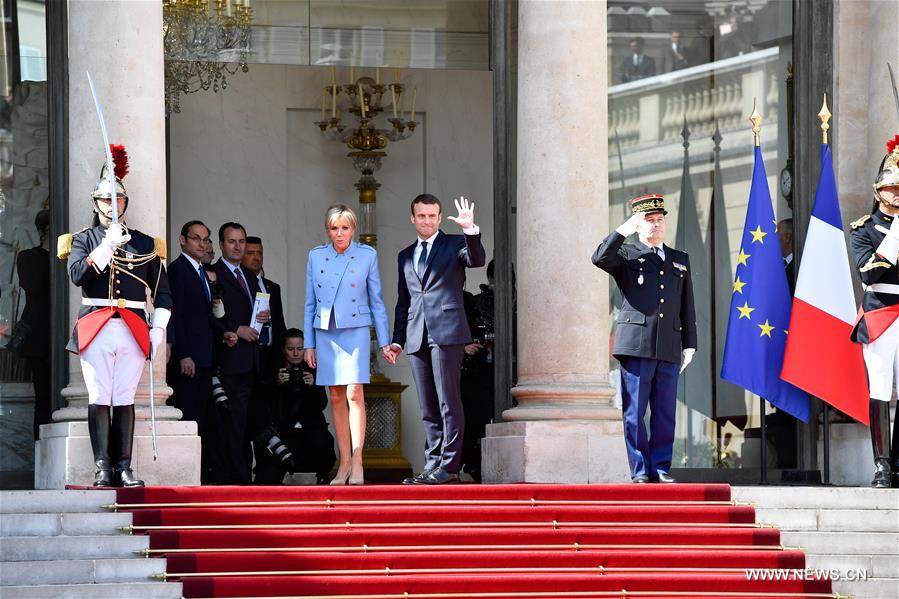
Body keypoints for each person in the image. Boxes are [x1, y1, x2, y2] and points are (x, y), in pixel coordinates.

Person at [58, 146, 172, 487]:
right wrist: (105, 246)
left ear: (125, 203)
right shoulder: (82, 239)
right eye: (106, 201)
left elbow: (162, 291)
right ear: (96, 204)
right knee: (98, 395)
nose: (112, 206)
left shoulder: (145, 243)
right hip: (96, 325)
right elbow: (78, 275)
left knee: (124, 397)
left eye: (117, 201)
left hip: (135, 327)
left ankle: (123, 466)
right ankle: (102, 467)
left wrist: (160, 328)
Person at [592, 194, 697, 483]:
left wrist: (690, 343)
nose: (656, 225)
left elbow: (687, 304)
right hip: (636, 344)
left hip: (668, 344)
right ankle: (639, 470)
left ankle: (661, 467)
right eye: (649, 221)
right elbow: (599, 257)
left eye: (659, 220)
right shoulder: (626, 255)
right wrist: (624, 230)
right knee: (635, 413)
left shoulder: (679, 259)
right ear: (639, 226)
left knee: (665, 412)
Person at [388, 195, 486, 485]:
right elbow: (403, 302)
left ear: (440, 218)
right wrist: (397, 340)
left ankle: (450, 466)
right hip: (417, 335)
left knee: (448, 402)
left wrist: (470, 230)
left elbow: (476, 259)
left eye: (432, 216)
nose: (427, 221)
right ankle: (432, 465)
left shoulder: (454, 244)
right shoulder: (405, 255)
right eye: (421, 216)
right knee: (428, 406)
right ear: (413, 218)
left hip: (447, 332)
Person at [304, 204, 391, 485]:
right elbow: (309, 304)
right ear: (327, 230)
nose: (339, 234)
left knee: (354, 393)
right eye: (334, 228)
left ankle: (358, 461)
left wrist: (386, 341)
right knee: (337, 396)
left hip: (356, 330)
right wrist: (309, 344)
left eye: (345, 228)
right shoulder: (316, 257)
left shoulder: (367, 255)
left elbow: (377, 300)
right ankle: (343, 464)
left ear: (353, 229)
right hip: (326, 331)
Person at [849, 134, 899, 488]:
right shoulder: (864, 229)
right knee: (880, 388)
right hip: (881, 309)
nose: (897, 193)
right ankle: (882, 465)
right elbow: (868, 270)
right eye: (892, 187)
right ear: (878, 190)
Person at [212, 221, 270, 484]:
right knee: (225, 425)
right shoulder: (212, 273)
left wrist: (261, 319)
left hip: (250, 361)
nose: (237, 246)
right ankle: (229, 480)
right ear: (222, 244)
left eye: (241, 241)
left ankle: (241, 478)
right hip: (226, 359)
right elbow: (207, 313)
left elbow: (252, 314)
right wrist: (236, 328)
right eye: (232, 241)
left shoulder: (249, 276)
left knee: (243, 425)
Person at [254, 328, 337, 485]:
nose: (295, 354)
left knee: (323, 441)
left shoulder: (312, 368)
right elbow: (263, 404)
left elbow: (322, 404)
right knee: (266, 477)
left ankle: (322, 478)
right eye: (291, 349)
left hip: (309, 432)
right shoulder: (274, 369)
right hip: (283, 434)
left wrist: (313, 386)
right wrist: (277, 384)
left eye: (299, 349)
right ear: (283, 349)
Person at [242, 235, 287, 480]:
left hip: (269, 361)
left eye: (259, 252)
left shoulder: (273, 287)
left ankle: (267, 474)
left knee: (269, 418)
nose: (256, 257)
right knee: (249, 420)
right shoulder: (239, 284)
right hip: (248, 360)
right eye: (251, 253)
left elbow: (279, 326)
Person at [167, 221, 215, 432]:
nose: (201, 244)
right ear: (182, 240)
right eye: (196, 238)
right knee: (189, 414)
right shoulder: (178, 269)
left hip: (204, 356)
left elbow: (204, 314)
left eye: (205, 239)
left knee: (202, 416)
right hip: (189, 359)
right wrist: (184, 354)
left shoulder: (200, 270)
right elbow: (176, 315)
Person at [16, 209, 51, 440]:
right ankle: (42, 451)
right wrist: (48, 249)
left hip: (62, 336)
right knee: (43, 398)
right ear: (42, 231)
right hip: (39, 337)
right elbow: (32, 285)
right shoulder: (28, 257)